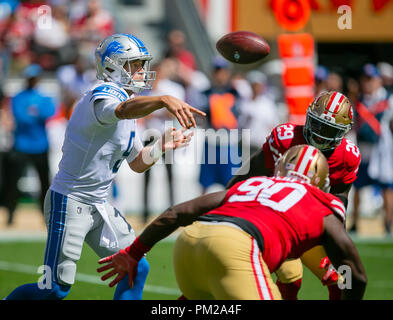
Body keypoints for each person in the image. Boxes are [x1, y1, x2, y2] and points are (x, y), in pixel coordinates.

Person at [4, 33, 204, 300]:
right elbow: (121, 110)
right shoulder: (103, 94)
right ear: (113, 66)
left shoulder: (128, 106)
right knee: (54, 289)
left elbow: (136, 164)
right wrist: (162, 99)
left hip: (98, 204)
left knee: (134, 266)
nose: (142, 71)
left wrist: (159, 148)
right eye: (135, 64)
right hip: (70, 200)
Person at [97, 144, 367, 300]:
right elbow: (356, 274)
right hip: (237, 247)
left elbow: (178, 212)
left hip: (189, 243)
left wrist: (134, 253)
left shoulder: (253, 183)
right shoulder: (321, 202)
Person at [226, 91, 361, 300]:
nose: (320, 135)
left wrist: (336, 244)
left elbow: (340, 201)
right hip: (274, 222)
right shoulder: (285, 138)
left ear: (343, 132)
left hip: (308, 226)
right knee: (291, 276)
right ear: (308, 118)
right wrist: (227, 199)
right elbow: (252, 170)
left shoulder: (347, 156)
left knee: (342, 280)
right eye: (317, 125)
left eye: (329, 130)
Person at [3, 64, 55, 226]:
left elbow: (48, 113)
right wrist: (35, 114)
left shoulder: (43, 97)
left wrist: (32, 113)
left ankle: (45, 216)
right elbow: (21, 118)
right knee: (13, 183)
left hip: (40, 146)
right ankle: (10, 215)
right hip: (22, 145)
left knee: (45, 184)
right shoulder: (19, 97)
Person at [351, 64, 393, 235]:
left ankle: (388, 224)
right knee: (357, 186)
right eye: (365, 79)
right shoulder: (359, 100)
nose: (367, 83)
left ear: (377, 80)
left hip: (381, 151)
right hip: (363, 149)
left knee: (386, 187)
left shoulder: (388, 99)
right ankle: (354, 223)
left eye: (371, 79)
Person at [198, 56, 242, 194]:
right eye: (217, 71)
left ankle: (230, 210)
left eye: (222, 71)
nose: (220, 75)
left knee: (231, 181)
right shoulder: (205, 93)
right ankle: (200, 212)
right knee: (206, 181)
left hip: (230, 142)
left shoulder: (236, 92)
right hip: (211, 140)